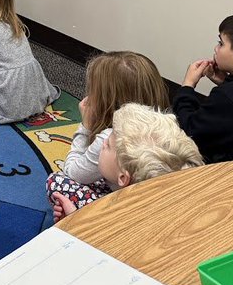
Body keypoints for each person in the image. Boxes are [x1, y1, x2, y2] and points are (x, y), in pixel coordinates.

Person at [45, 51, 168, 208]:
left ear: (107, 102)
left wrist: (86, 127)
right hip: (153, 200)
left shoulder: (110, 137)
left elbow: (72, 172)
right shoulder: (164, 126)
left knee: (56, 181)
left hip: (126, 207)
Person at [51, 103, 203, 222]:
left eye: (108, 145)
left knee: (55, 181)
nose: (103, 143)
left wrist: (74, 219)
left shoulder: (117, 218)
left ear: (123, 178)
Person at [172, 14, 233, 163]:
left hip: (222, 174)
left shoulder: (226, 97)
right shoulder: (231, 93)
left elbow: (189, 131)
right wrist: (225, 82)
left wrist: (187, 86)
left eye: (221, 43)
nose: (216, 48)